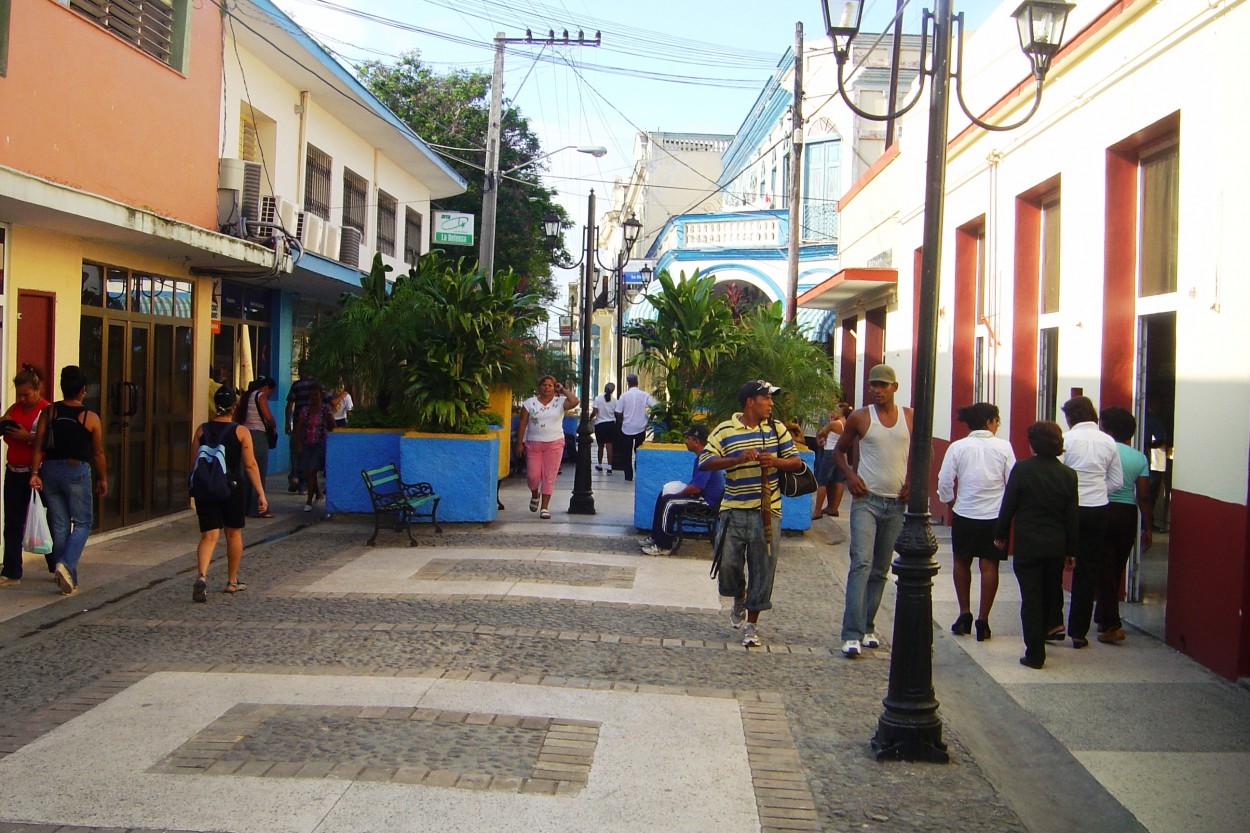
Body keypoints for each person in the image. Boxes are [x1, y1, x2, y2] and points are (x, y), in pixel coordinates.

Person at [698, 380, 803, 648]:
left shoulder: (777, 430)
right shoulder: (724, 430)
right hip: (733, 510)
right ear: (750, 402)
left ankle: (752, 625)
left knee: (763, 569)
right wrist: (736, 459)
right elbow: (705, 461)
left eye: (771, 399)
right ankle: (738, 596)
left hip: (768, 511)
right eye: (766, 398)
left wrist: (775, 462)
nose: (770, 403)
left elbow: (795, 462)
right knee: (728, 566)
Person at [833, 364, 913, 658]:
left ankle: (867, 626)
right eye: (873, 385)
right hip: (866, 501)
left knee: (881, 569)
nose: (877, 390)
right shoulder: (861, 417)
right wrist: (851, 476)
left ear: (894, 387)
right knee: (861, 563)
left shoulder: (909, 417)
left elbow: (922, 449)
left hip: (896, 504)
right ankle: (851, 633)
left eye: (883, 385)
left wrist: (914, 482)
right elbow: (838, 451)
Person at [994, 421, 1079, 669]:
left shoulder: (1022, 470)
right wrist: (1071, 550)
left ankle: (1035, 652)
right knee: (1049, 593)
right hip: (1055, 546)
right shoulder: (1068, 475)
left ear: (1032, 444)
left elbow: (1008, 505)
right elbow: (1071, 516)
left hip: (1028, 544)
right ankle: (1044, 634)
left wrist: (1000, 534)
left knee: (1030, 598)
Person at [937, 402, 1016, 641]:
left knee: (962, 562)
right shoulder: (1004, 447)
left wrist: (951, 503)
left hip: (965, 513)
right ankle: (983, 619)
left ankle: (964, 613)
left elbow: (944, 480)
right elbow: (1012, 480)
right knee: (989, 565)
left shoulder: (958, 447)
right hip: (995, 515)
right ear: (990, 421)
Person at [29, 366, 108, 596]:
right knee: (83, 522)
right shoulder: (90, 418)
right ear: (83, 390)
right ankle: (65, 564)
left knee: (60, 525)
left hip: (49, 471)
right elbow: (98, 453)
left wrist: (34, 472)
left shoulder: (49, 412)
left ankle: (68, 578)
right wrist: (102, 477)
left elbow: (38, 445)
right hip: (76, 470)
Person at [191, 386, 268, 602]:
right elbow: (251, 465)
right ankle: (232, 581)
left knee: (208, 535)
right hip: (232, 489)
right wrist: (261, 494)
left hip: (206, 489)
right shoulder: (241, 432)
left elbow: (193, 463)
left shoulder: (201, 430)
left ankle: (202, 576)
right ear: (234, 407)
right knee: (233, 534)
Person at [1060, 395, 1123, 648]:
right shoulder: (1108, 441)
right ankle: (1078, 631)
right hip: (1097, 508)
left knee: (1056, 562)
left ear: (1070, 418)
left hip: (1069, 509)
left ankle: (1053, 622)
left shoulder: (1066, 440)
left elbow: (1057, 473)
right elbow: (1117, 481)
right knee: (1087, 570)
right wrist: (1096, 490)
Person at [1095, 406, 1153, 644]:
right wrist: (1147, 527)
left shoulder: (1103, 452)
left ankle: (1111, 624)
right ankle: (1103, 616)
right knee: (1117, 566)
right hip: (1127, 514)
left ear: (1106, 429)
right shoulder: (1139, 457)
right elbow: (1144, 495)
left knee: (1103, 568)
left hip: (1101, 509)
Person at [639, 424, 725, 556]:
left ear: (696, 442)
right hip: (700, 497)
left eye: (688, 438)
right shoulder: (703, 456)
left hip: (707, 503)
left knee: (669, 502)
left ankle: (664, 545)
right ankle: (656, 537)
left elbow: (696, 488)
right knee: (663, 494)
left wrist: (677, 494)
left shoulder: (706, 458)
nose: (685, 441)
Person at [0, 364, 50, 587]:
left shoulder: (46, 410)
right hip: (13, 470)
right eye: (19, 394)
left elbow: (48, 441)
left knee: (46, 518)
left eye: (26, 394)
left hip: (36, 472)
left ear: (37, 389)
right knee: (12, 522)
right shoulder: (15, 408)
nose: (22, 399)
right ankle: (11, 570)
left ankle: (57, 562)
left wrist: (26, 436)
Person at [515, 375, 579, 519]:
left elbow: (575, 401)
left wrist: (562, 389)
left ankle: (544, 507)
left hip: (554, 444)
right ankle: (534, 494)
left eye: (550, 385)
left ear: (554, 387)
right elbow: (522, 423)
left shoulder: (560, 402)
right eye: (544, 385)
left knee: (549, 477)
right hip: (533, 444)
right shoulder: (529, 403)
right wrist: (519, 443)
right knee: (533, 476)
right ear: (539, 387)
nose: (547, 387)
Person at [236, 377, 278, 518]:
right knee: (258, 472)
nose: (270, 395)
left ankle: (244, 507)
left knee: (245, 472)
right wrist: (273, 424)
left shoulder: (246, 396)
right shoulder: (260, 396)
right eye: (271, 391)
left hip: (244, 433)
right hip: (258, 436)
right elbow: (267, 416)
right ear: (266, 388)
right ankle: (258, 508)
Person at [293, 384, 334, 513]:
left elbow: (333, 426)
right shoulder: (305, 410)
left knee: (312, 471)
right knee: (307, 472)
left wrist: (329, 419)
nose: (314, 397)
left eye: (316, 395)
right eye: (311, 395)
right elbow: (299, 427)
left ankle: (309, 500)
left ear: (320, 395)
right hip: (306, 443)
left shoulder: (325, 410)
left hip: (319, 444)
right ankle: (318, 493)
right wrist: (298, 443)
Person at [813, 402, 853, 520]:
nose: (832, 413)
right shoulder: (847, 423)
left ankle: (817, 510)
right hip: (841, 453)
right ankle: (833, 508)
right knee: (838, 480)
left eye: (834, 411)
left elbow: (821, 432)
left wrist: (830, 421)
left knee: (822, 481)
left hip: (830, 452)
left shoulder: (834, 424)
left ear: (840, 412)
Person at [285, 363, 319, 493]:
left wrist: (287, 423)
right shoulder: (317, 386)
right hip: (313, 425)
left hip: (299, 423)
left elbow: (289, 405)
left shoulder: (296, 385)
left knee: (295, 451)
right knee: (308, 453)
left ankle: (294, 476)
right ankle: (304, 484)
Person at [614, 374, 656, 481]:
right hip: (640, 428)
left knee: (626, 454)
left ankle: (628, 476)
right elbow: (656, 408)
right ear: (637, 382)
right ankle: (639, 473)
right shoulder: (644, 395)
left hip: (626, 428)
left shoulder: (624, 396)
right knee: (639, 452)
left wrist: (623, 421)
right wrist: (650, 419)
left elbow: (618, 412)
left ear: (628, 383)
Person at [591, 382, 618, 474]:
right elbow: (616, 413)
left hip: (600, 424)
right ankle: (609, 467)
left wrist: (589, 418)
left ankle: (599, 465)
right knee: (609, 446)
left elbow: (595, 411)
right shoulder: (615, 401)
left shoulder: (598, 399)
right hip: (611, 424)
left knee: (600, 446)